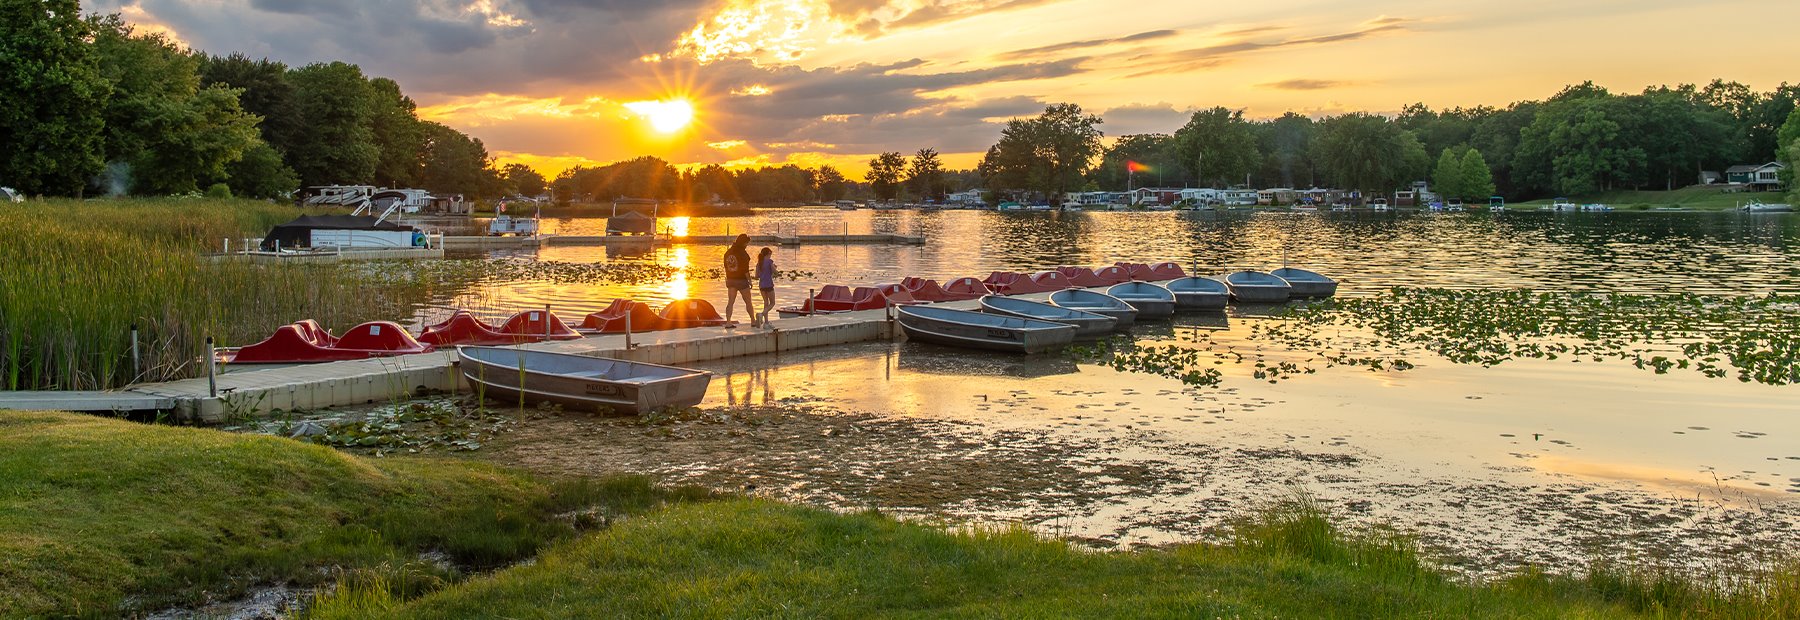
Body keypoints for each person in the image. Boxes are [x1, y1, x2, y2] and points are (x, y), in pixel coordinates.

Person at [722, 234, 754, 326]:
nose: (747, 245)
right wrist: (749, 281)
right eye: (747, 243)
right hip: (741, 280)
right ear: (744, 243)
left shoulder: (727, 253)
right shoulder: (743, 253)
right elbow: (745, 270)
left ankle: (728, 322)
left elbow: (725, 266)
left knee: (730, 302)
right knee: (748, 301)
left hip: (731, 279)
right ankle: (753, 320)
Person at [754, 247, 776, 327]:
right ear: (768, 254)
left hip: (762, 285)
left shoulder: (759, 263)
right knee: (772, 303)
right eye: (770, 254)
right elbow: (775, 272)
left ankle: (766, 323)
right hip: (769, 285)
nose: (771, 256)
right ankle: (761, 315)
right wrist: (775, 268)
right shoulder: (769, 262)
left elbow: (756, 276)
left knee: (765, 302)